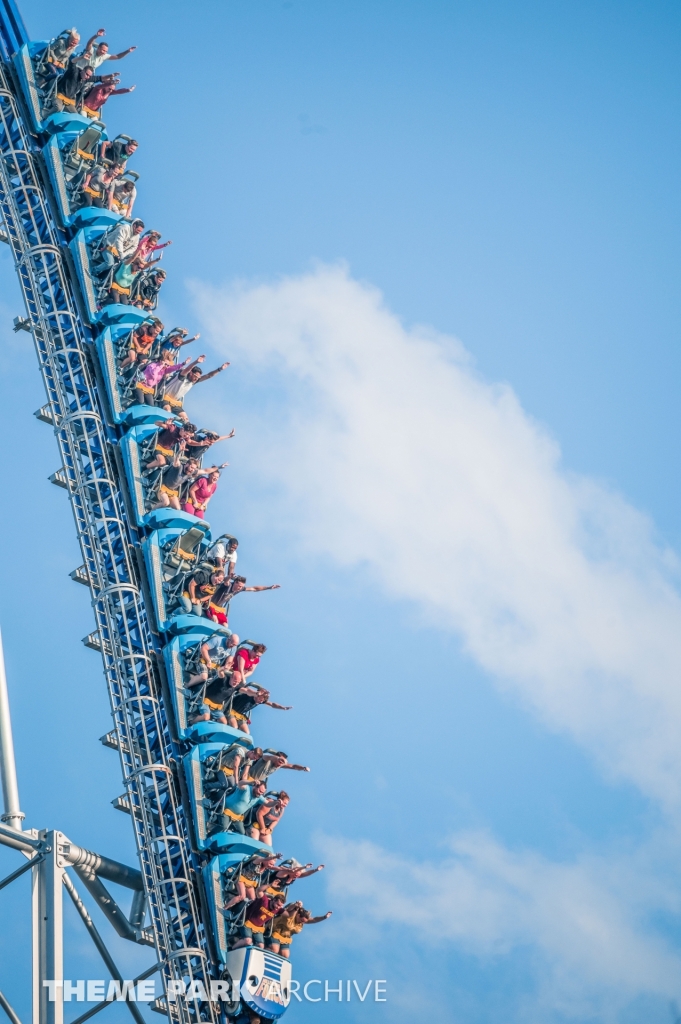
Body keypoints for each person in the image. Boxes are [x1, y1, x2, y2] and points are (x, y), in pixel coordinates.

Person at [158, 358, 230, 414]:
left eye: (198, 378)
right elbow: (187, 369)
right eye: (195, 376)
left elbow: (208, 376)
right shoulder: (182, 377)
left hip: (174, 402)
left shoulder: (193, 382)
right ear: (191, 373)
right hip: (164, 397)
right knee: (168, 410)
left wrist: (219, 369)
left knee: (185, 418)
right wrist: (196, 362)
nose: (196, 379)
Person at [206, 578, 280, 628]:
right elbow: (226, 581)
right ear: (235, 583)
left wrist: (269, 587)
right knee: (215, 619)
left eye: (242, 587)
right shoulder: (228, 585)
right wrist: (229, 577)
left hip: (219, 609)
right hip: (211, 605)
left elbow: (254, 588)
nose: (240, 588)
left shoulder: (239, 590)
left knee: (225, 625)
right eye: (239, 586)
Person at [224, 686, 292, 736]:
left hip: (240, 716)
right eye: (260, 699)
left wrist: (283, 708)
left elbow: (272, 704)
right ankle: (225, 734)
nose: (260, 701)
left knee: (247, 732)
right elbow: (247, 690)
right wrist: (257, 693)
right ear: (258, 695)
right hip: (230, 710)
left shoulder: (260, 701)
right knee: (234, 726)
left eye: (262, 700)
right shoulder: (249, 695)